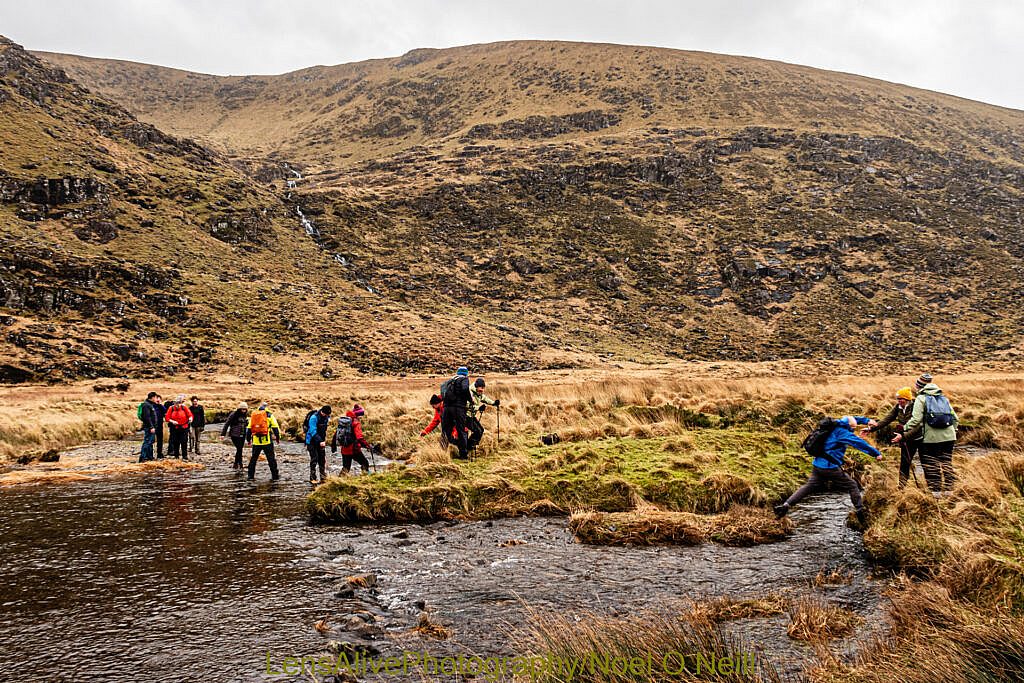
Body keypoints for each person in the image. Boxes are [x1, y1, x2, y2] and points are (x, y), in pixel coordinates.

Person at [775, 416, 882, 524]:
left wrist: (867, 421)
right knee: (852, 485)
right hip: (830, 467)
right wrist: (876, 453)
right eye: (853, 428)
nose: (854, 430)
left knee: (809, 486)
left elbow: (853, 419)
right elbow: (858, 442)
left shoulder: (836, 424)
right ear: (849, 426)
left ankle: (785, 506)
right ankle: (860, 513)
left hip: (818, 464)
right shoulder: (842, 433)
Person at [897, 375, 958, 494]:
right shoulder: (943, 397)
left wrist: (904, 428)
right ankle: (949, 492)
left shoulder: (921, 398)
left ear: (919, 386)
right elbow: (955, 418)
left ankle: (936, 494)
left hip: (931, 439)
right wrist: (953, 431)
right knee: (947, 463)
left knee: (931, 465)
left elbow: (916, 420)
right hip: (950, 437)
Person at [862, 387, 921, 488]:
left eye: (901, 399)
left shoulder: (916, 406)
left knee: (926, 462)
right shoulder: (898, 407)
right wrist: (871, 429)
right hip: (905, 439)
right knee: (904, 464)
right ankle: (901, 487)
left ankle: (932, 489)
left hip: (920, 438)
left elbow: (918, 425)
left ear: (908, 399)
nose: (899, 401)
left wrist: (903, 436)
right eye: (898, 399)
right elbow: (886, 419)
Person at [440, 367, 472, 459]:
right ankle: (463, 455)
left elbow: (442, 393)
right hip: (458, 408)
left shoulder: (449, 381)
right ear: (465, 373)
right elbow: (465, 389)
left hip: (446, 408)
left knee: (446, 431)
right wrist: (470, 400)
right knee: (461, 430)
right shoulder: (464, 379)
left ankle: (442, 453)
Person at [331, 404, 372, 474]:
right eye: (361, 416)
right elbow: (359, 437)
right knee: (365, 463)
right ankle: (366, 479)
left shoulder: (344, 422)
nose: (361, 417)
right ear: (358, 415)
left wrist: (333, 446)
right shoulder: (356, 423)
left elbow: (336, 434)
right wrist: (367, 445)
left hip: (344, 448)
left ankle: (339, 482)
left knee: (346, 468)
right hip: (354, 449)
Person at [245, 402, 281, 480]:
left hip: (256, 442)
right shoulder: (269, 415)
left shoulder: (254, 415)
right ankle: (275, 476)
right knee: (271, 459)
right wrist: (278, 438)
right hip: (267, 441)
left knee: (253, 459)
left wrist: (248, 440)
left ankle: (250, 476)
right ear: (266, 407)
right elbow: (275, 427)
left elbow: (249, 429)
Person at [466, 377, 500, 450]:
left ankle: (470, 446)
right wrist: (478, 408)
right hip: (466, 416)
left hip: (471, 415)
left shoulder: (479, 393)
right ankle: (469, 447)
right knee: (477, 431)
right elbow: (467, 405)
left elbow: (485, 399)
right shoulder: (469, 393)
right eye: (480, 387)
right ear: (476, 386)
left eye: (483, 388)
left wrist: (494, 403)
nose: (482, 390)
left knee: (481, 430)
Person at [305, 405, 332, 484]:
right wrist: (320, 441)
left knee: (322, 459)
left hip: (320, 441)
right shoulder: (313, 418)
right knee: (314, 459)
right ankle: (312, 477)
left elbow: (324, 431)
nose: (327, 416)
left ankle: (323, 476)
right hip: (311, 441)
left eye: (328, 415)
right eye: (326, 414)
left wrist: (323, 440)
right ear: (322, 412)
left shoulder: (326, 418)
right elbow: (313, 431)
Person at [221, 402, 250, 469]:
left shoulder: (245, 415)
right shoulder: (233, 414)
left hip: (242, 434)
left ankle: (237, 464)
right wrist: (223, 434)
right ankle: (239, 464)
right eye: (242, 409)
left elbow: (246, 425)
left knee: (240, 449)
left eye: (245, 409)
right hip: (234, 435)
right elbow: (227, 424)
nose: (244, 411)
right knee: (239, 449)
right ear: (239, 409)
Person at [165, 395, 194, 460]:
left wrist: (190, 419)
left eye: (179, 404)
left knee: (184, 441)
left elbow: (190, 415)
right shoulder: (171, 408)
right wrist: (172, 421)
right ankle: (176, 455)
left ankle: (185, 455)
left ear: (181, 403)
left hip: (184, 427)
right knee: (175, 442)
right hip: (175, 428)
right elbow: (167, 418)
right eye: (176, 404)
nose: (177, 406)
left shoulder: (184, 408)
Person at [139, 391, 161, 463]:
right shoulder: (146, 405)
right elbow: (147, 417)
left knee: (151, 442)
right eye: (155, 397)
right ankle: (143, 457)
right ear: (152, 397)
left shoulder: (150, 404)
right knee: (147, 441)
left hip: (152, 427)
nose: (156, 399)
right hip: (149, 427)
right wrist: (151, 427)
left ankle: (149, 457)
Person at [154, 394, 167, 458]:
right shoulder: (152, 406)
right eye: (157, 399)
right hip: (153, 425)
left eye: (159, 399)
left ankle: (159, 453)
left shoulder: (161, 407)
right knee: (151, 440)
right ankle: (149, 454)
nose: (157, 400)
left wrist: (160, 404)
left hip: (159, 425)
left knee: (160, 440)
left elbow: (165, 411)